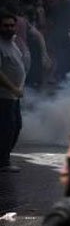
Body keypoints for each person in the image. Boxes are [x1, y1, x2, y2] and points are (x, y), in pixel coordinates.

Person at [0, 11, 27, 172]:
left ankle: (4, 158)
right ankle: (3, 162)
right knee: (6, 129)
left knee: (15, 126)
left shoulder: (12, 43)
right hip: (3, 96)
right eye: (5, 26)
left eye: (12, 25)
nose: (9, 29)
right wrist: (12, 88)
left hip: (13, 96)